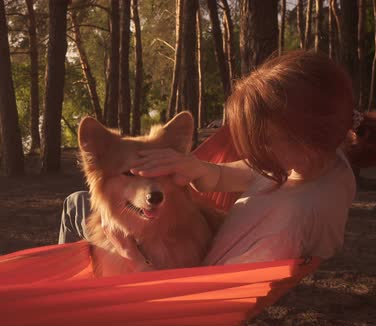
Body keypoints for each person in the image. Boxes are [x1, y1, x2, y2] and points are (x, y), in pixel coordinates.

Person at [59, 50, 356, 268]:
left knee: (75, 206)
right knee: (76, 201)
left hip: (158, 271)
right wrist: (195, 166)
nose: (251, 150)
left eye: (260, 139)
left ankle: (66, 288)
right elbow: (231, 174)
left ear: (303, 136)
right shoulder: (307, 164)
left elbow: (200, 295)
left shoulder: (286, 227)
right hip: (172, 232)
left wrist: (132, 256)